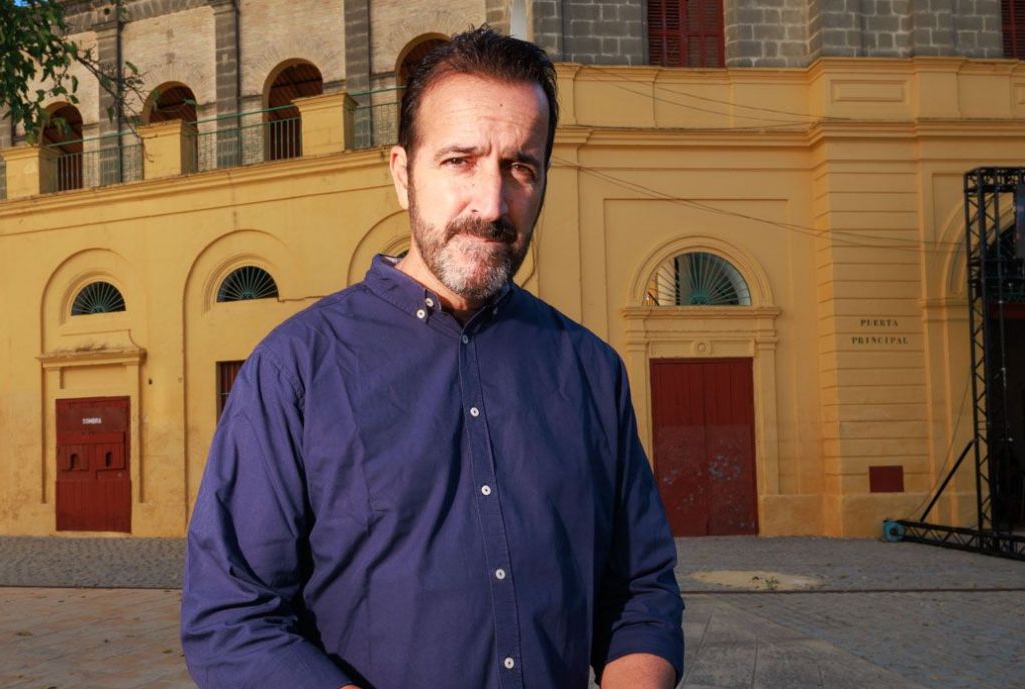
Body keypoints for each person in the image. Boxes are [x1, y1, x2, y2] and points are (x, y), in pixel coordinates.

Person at [181, 26, 683, 689]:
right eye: (460, 161)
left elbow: (640, 593)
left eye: (521, 167)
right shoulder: (294, 368)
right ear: (402, 173)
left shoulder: (591, 370)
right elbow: (232, 617)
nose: (492, 203)